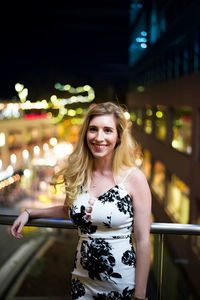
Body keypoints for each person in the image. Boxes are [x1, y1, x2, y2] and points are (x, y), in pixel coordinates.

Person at [11, 102, 151, 300]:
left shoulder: (134, 178)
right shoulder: (78, 174)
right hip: (81, 281)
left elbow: (144, 241)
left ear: (118, 137)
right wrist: (30, 213)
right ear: (86, 133)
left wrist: (140, 295)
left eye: (108, 130)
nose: (99, 137)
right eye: (93, 129)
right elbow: (69, 211)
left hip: (121, 286)